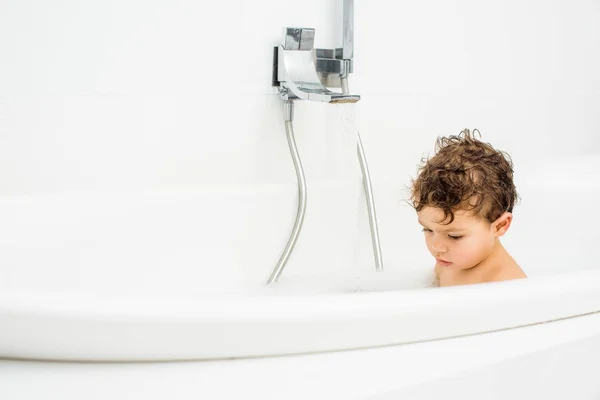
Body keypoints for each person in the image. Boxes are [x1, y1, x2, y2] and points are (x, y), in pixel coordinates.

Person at [410, 129, 527, 287]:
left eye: (454, 236)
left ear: (500, 226)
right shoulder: (449, 262)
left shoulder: (506, 284)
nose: (436, 246)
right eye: (428, 230)